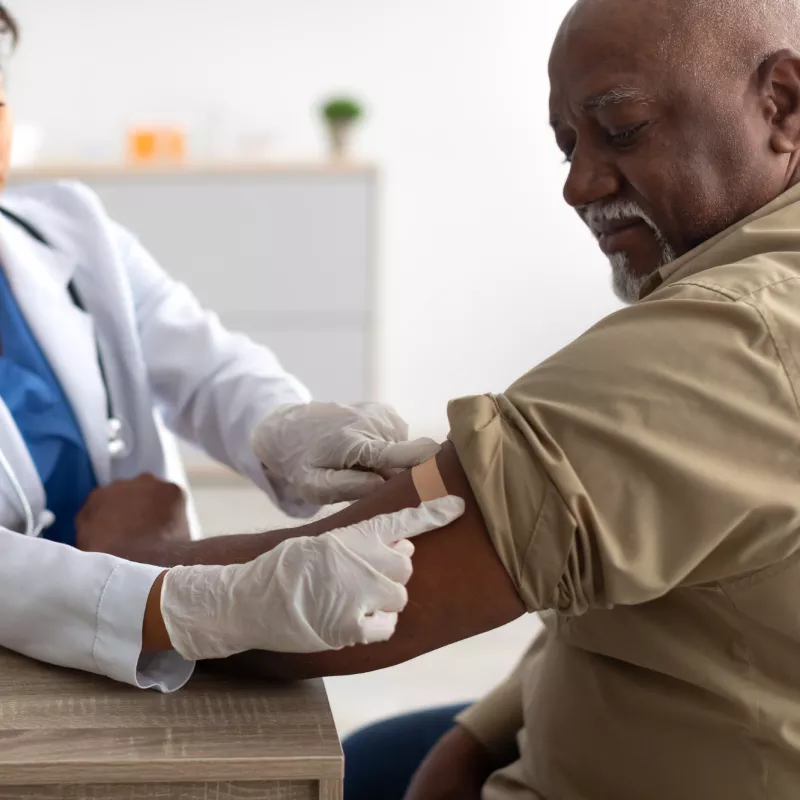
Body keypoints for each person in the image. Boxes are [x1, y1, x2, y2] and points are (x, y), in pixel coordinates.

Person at [90, 0, 800, 796]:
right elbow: (661, 585)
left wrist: (125, 551)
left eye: (623, 127)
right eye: (567, 144)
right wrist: (475, 738)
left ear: (782, 103)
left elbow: (306, 618)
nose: (579, 184)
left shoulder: (728, 339)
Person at [0, 5, 449, 692]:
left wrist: (281, 428)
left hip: (139, 643)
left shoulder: (65, 229)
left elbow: (203, 361)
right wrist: (192, 603)